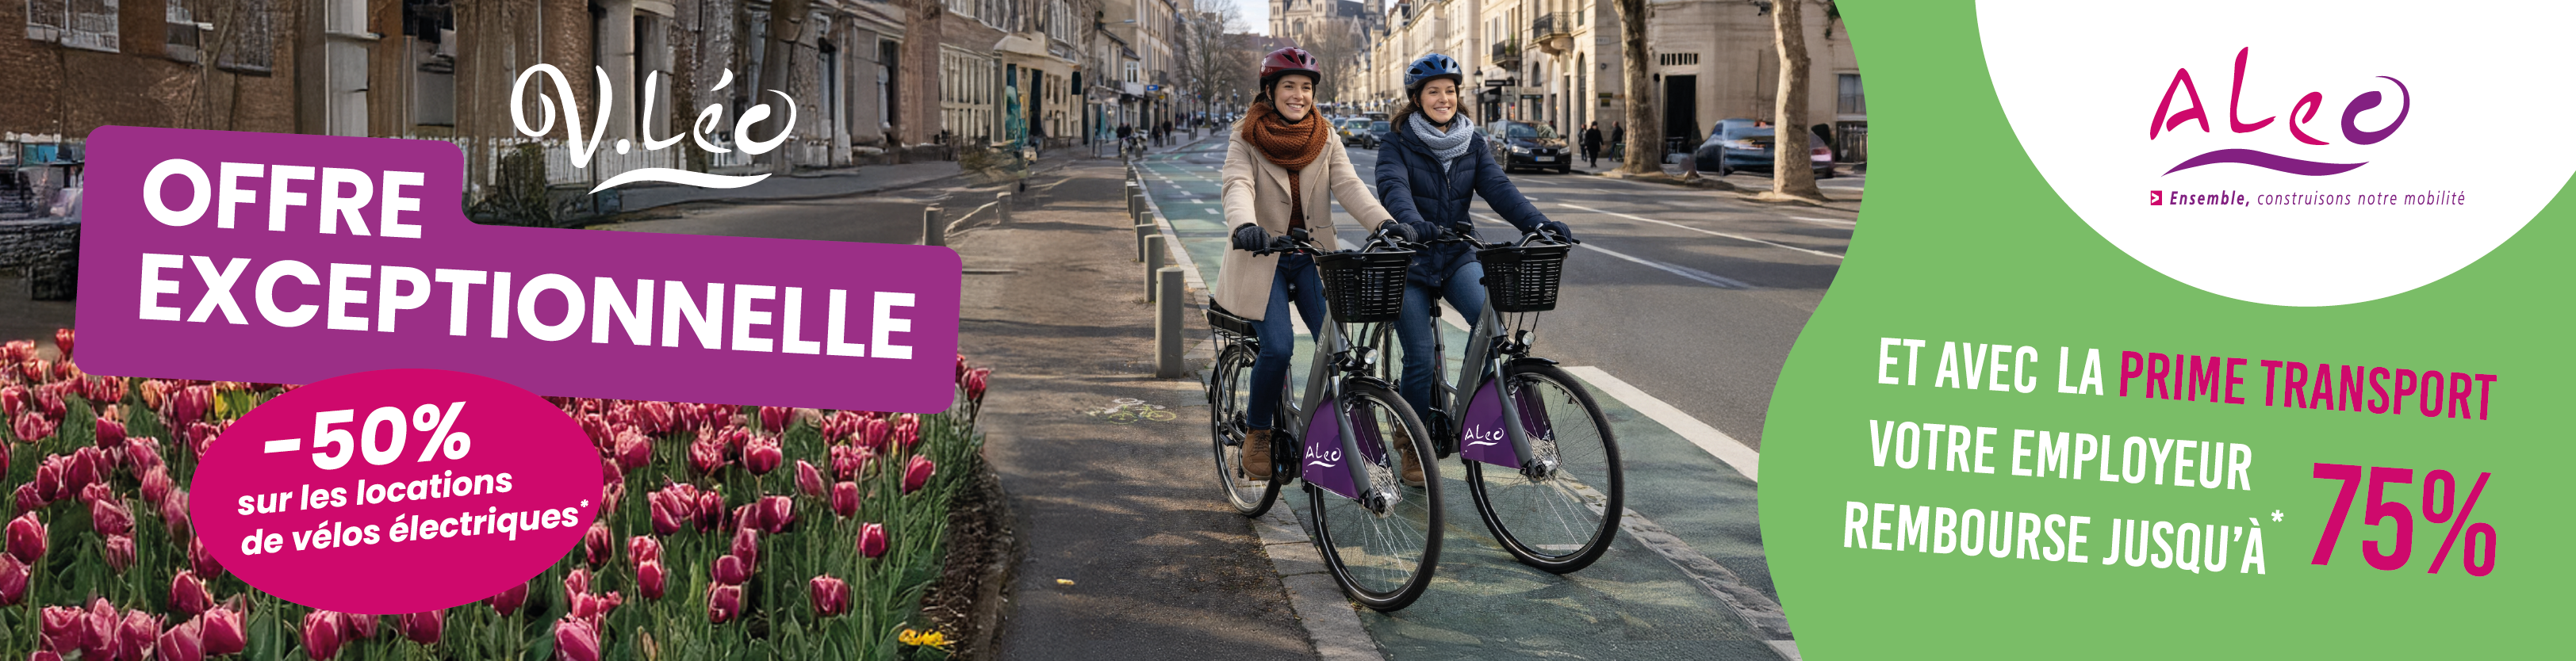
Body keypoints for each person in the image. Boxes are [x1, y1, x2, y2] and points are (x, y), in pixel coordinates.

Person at [1374, 52, 1571, 487]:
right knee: (1421, 357)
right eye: (1433, 92)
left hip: (1456, 253)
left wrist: (1538, 224)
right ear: (1416, 98)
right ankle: (1411, 441)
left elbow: (1500, 189)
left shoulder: (1472, 140)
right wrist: (1409, 224)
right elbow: (1392, 187)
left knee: (1492, 328)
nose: (1443, 99)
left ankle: (1474, 420)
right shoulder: (1397, 142)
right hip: (1411, 258)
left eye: (1449, 91)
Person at [1216, 47, 1400, 480]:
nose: (1298, 95)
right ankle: (1258, 433)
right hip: (1263, 258)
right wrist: (1245, 225)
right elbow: (1236, 185)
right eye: (1289, 87)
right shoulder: (1245, 136)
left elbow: (1350, 186)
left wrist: (1386, 224)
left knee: (1337, 349)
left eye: (1305, 88)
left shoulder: (1326, 135)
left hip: (1313, 258)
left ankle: (1329, 436)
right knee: (1278, 347)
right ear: (1270, 91)